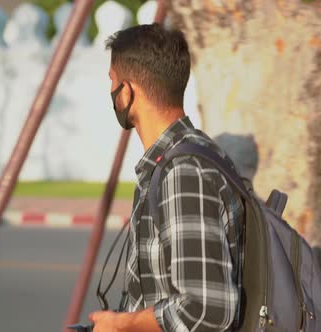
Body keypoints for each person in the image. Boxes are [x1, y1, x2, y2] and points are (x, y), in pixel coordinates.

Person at [89, 24, 245, 332]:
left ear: (127, 91)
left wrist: (123, 325)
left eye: (112, 82)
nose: (111, 92)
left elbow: (207, 310)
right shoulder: (175, 160)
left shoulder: (184, 171)